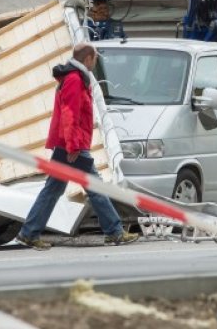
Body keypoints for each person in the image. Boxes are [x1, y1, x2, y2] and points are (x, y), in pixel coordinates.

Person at [16, 42, 139, 250]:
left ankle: (29, 233)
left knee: (53, 190)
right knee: (95, 187)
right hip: (71, 146)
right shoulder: (74, 79)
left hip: (69, 144)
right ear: (87, 59)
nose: (96, 62)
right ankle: (114, 232)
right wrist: (73, 147)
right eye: (95, 58)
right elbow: (69, 114)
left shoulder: (75, 77)